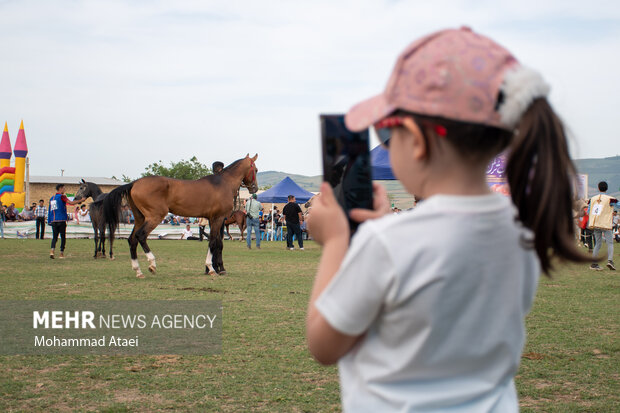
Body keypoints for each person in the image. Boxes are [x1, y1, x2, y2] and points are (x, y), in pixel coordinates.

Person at [305, 27, 589, 412]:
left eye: (384, 132)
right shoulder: (522, 229)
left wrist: (338, 242)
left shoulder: (388, 244)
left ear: (415, 140)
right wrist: (385, 226)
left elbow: (324, 344)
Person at [588, 181, 617, 271]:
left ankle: (594, 263)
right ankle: (610, 261)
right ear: (607, 188)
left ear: (598, 188)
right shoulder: (611, 199)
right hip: (605, 223)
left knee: (598, 244)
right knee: (610, 243)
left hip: (595, 223)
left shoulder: (592, 199)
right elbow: (618, 205)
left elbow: (589, 211)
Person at [48, 183, 82, 258]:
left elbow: (51, 210)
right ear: (60, 188)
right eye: (64, 188)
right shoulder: (62, 196)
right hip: (61, 220)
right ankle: (61, 253)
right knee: (63, 237)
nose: (64, 189)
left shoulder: (52, 198)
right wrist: (81, 200)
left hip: (54, 220)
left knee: (55, 237)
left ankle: (52, 251)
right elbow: (71, 203)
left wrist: (50, 220)